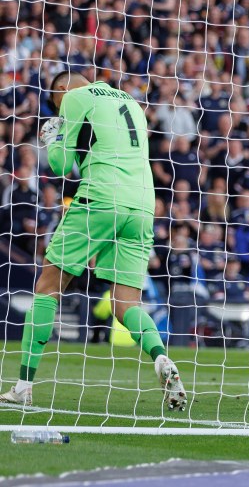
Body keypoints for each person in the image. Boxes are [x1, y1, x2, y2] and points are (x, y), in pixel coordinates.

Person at [0, 70, 187, 410]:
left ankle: (23, 386)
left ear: (61, 90)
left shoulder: (74, 98)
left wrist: (51, 137)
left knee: (46, 287)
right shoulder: (129, 101)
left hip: (101, 198)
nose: (56, 109)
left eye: (54, 102)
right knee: (126, 303)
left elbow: (60, 166)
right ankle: (161, 358)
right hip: (143, 204)